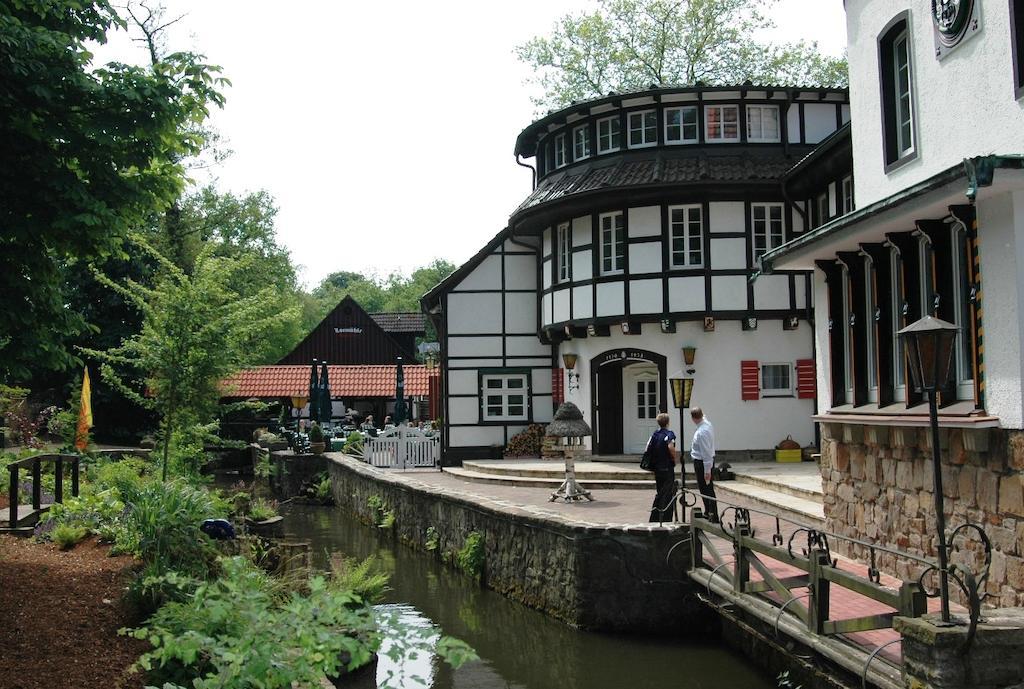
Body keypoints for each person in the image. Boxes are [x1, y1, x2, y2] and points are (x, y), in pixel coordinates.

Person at [647, 412, 678, 523]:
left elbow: (648, 448)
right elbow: (670, 446)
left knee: (660, 491)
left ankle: (655, 516)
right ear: (668, 422)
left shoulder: (655, 434)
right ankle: (666, 517)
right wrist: (675, 458)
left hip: (657, 468)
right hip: (667, 466)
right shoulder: (669, 434)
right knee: (668, 492)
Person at [690, 406, 718, 522]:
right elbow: (704, 416)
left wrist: (707, 471)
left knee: (706, 488)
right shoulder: (706, 424)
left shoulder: (702, 432)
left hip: (702, 462)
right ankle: (708, 511)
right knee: (706, 488)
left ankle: (712, 513)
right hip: (703, 461)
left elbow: (706, 453)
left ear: (693, 418)